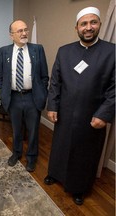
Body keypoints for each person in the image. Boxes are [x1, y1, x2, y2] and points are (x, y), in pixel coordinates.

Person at [44, 7, 115, 205]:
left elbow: (114, 89)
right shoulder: (64, 51)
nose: (88, 27)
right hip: (64, 113)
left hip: (92, 116)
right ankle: (55, 174)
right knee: (60, 147)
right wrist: (52, 106)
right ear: (76, 27)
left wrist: (104, 114)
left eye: (93, 22)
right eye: (84, 24)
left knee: (84, 154)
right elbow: (55, 82)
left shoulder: (112, 52)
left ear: (99, 24)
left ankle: (79, 187)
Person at [0, 20, 49, 172]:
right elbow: (0, 77)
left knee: (33, 130)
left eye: (25, 30)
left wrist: (42, 93)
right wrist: (3, 93)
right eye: (19, 31)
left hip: (33, 97)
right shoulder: (3, 51)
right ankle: (17, 153)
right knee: (16, 129)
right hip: (13, 98)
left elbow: (44, 75)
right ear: (11, 35)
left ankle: (32, 157)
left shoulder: (37, 49)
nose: (24, 33)